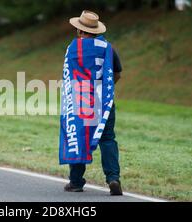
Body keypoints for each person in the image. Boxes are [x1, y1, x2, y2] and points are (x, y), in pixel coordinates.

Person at [63, 10, 123, 196]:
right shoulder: (107, 47)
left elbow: (69, 76)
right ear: (96, 30)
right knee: (107, 138)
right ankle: (113, 178)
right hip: (103, 99)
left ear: (80, 31)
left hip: (81, 99)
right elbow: (117, 74)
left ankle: (76, 182)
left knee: (79, 137)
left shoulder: (72, 49)